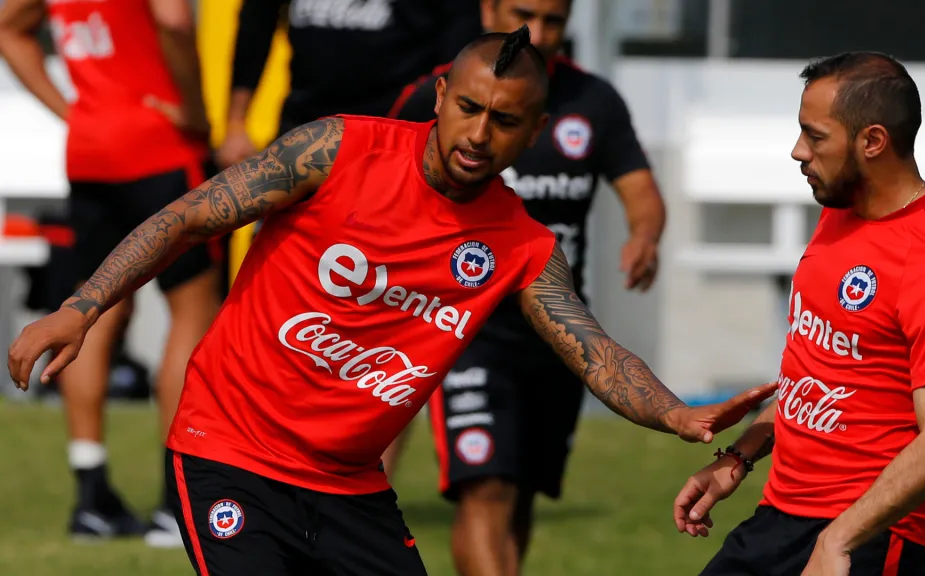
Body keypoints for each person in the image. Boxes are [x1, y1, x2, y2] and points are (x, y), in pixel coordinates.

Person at [8, 27, 776, 576]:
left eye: (506, 121)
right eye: (468, 107)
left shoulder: (523, 246)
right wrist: (83, 305)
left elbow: (593, 350)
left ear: (535, 132)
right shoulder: (337, 148)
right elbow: (189, 217)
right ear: (441, 95)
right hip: (230, 451)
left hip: (348, 485)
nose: (479, 134)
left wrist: (676, 414)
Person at [672, 52, 925, 576]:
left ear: (873, 142)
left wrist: (839, 539)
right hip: (779, 516)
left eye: (815, 136)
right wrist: (739, 457)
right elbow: (819, 379)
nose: (798, 151)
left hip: (871, 535)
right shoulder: (838, 211)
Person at [382, 0, 666, 573]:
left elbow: (641, 191)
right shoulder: (442, 94)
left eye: (553, 21)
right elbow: (382, 185)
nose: (536, 33)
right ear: (488, 8)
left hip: (556, 332)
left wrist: (644, 237)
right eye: (522, 14)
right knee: (487, 488)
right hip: (467, 327)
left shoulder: (594, 101)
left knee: (519, 498)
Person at [0, 0, 224, 548]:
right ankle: (176, 504)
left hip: (91, 150)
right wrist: (196, 111)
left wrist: (73, 111)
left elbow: (8, 27)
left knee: (92, 312)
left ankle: (91, 494)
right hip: (159, 142)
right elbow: (174, 19)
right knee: (193, 311)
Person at [215, 0, 483, 167]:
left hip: (395, 137)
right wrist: (236, 124)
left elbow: (458, 57)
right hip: (304, 128)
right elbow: (256, 24)